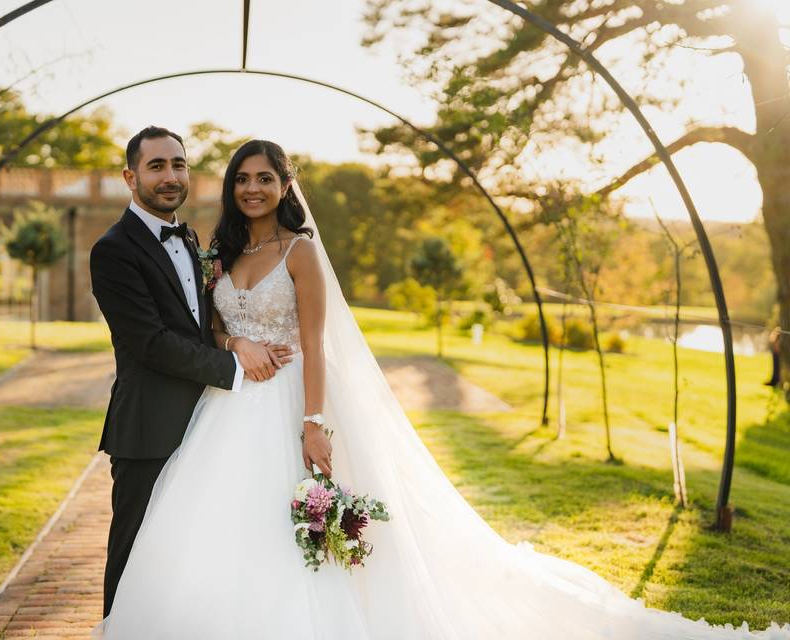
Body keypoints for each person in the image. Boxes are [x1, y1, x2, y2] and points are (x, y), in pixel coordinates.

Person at [95, 140, 790, 639]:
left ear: (286, 183)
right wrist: (233, 345)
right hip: (225, 410)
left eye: (265, 178)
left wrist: (312, 419)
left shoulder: (299, 253)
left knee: (288, 533)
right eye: (242, 178)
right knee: (218, 529)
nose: (252, 188)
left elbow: (318, 344)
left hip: (283, 406)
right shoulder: (221, 252)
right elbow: (205, 329)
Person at [89, 127, 293, 618]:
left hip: (209, 424)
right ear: (130, 176)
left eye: (178, 165)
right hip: (149, 428)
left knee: (186, 557)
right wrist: (234, 363)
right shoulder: (113, 250)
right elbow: (151, 343)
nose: (170, 176)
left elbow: (202, 324)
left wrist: (234, 339)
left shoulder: (195, 239)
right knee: (134, 555)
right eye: (156, 166)